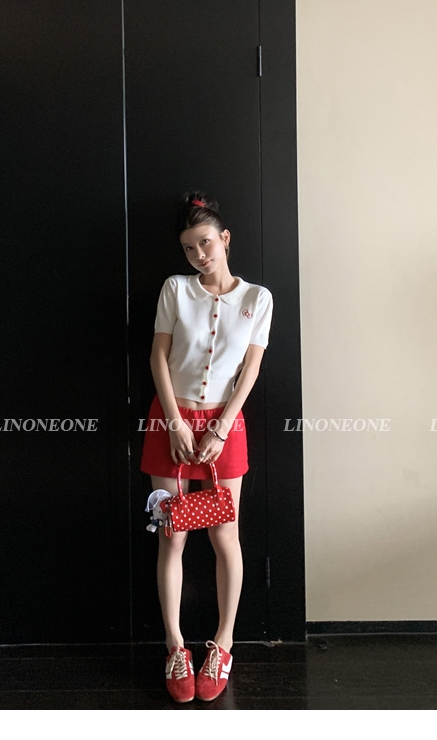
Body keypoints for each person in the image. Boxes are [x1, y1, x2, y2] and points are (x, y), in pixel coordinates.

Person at [139, 191, 274, 703]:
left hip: (225, 425)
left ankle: (223, 644)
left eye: (205, 243)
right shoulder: (176, 289)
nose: (198, 254)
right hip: (170, 420)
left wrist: (220, 428)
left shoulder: (258, 298)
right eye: (189, 248)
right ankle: (175, 646)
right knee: (172, 536)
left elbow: (251, 369)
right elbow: (158, 357)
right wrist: (174, 423)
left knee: (224, 536)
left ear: (225, 239)